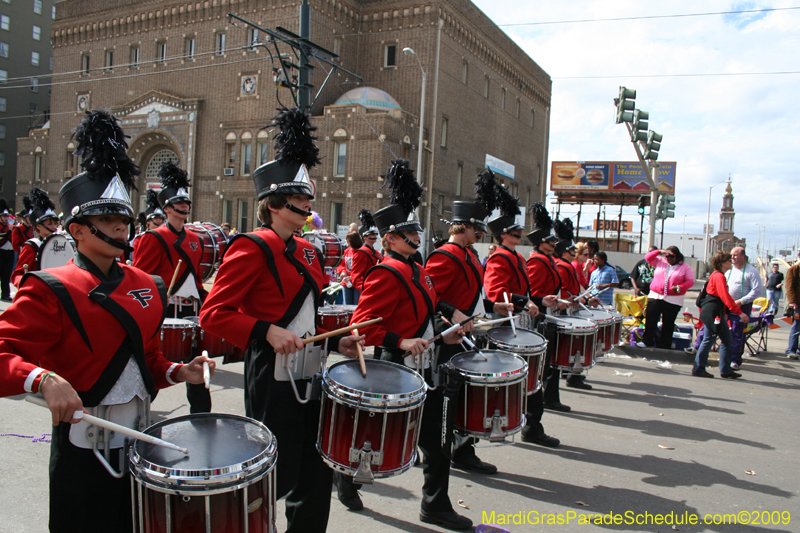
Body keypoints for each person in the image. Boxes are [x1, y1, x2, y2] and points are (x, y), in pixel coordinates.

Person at [0, 109, 214, 533]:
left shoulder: (148, 285)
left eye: (123, 220)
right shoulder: (48, 286)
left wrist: (178, 371)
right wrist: (41, 379)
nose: (119, 229)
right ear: (78, 231)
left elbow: (146, 360)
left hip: (140, 440)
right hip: (84, 448)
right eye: (106, 222)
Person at [199, 106, 362, 533]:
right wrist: (265, 331)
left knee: (316, 466)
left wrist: (334, 341)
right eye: (301, 199)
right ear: (275, 204)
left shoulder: (308, 250)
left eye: (309, 198)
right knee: (273, 474)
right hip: (271, 374)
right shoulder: (250, 247)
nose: (309, 205)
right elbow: (213, 314)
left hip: (311, 369)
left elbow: (307, 315)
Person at [347, 158, 471, 529]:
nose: (416, 238)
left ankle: (434, 504)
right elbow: (359, 328)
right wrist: (401, 340)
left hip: (425, 364)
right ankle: (344, 477)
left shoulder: (417, 269)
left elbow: (429, 310)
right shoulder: (384, 273)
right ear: (389, 239)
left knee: (436, 439)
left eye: (416, 233)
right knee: (377, 437)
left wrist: (446, 326)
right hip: (393, 366)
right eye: (407, 235)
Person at [426, 169, 514, 476]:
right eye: (476, 227)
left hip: (468, 333)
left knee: (465, 396)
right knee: (447, 400)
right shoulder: (444, 256)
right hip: (447, 337)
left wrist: (492, 305)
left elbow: (472, 294)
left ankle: (463, 448)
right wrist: (453, 312)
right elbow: (428, 297)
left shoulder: (469, 255)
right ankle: (442, 449)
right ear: (461, 226)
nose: (480, 232)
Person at [132, 161, 210, 413]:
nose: (185, 207)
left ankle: (201, 416)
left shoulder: (196, 239)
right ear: (167, 208)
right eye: (179, 203)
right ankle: (138, 412)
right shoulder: (152, 238)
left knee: (197, 367)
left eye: (187, 203)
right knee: (154, 364)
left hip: (191, 309)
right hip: (165, 309)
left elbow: (197, 278)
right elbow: (141, 277)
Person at [484, 198, 558, 447]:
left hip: (520, 321)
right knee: (513, 379)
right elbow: (496, 292)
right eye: (514, 231)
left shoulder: (514, 256)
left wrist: (538, 299)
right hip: (507, 325)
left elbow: (521, 291)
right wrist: (525, 301)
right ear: (503, 235)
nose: (520, 234)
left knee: (530, 377)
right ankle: (511, 423)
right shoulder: (499, 258)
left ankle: (531, 425)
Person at [693, 251, 749, 378]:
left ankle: (725, 369)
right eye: (729, 260)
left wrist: (725, 313)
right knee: (709, 339)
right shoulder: (719, 277)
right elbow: (725, 297)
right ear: (723, 263)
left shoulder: (717, 275)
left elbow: (722, 298)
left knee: (726, 340)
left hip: (716, 311)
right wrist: (739, 313)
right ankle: (699, 368)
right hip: (714, 312)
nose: (731, 262)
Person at [638, 246, 695, 349]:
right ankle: (647, 341)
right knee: (651, 319)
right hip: (656, 296)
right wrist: (659, 251)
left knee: (668, 323)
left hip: (673, 299)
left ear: (677, 256)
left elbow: (690, 281)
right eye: (667, 256)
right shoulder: (660, 261)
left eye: (672, 256)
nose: (669, 259)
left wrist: (680, 287)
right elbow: (648, 258)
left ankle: (664, 345)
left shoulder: (685, 267)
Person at [11, 188, 60, 287]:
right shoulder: (32, 246)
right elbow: (17, 275)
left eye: (55, 223)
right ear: (39, 226)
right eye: (49, 224)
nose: (54, 227)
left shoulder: (62, 243)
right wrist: (30, 285)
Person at [725, 247, 763, 369]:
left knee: (737, 332)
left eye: (735, 255)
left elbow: (757, 290)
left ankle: (735, 359)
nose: (733, 257)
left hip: (741, 307)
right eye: (732, 255)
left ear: (743, 256)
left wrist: (742, 301)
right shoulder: (729, 271)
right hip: (727, 305)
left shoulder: (751, 271)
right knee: (720, 329)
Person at [350, 209, 382, 300]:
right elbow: (355, 276)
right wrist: (366, 289)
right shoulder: (361, 253)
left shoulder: (377, 253)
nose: (374, 236)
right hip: (367, 290)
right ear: (365, 237)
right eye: (371, 234)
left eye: (375, 234)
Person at [336, 230, 362, 305]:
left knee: (356, 306)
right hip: (346, 283)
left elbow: (361, 269)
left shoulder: (361, 252)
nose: (345, 241)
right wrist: (343, 271)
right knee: (347, 306)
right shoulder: (346, 251)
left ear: (351, 241)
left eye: (347, 239)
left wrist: (351, 277)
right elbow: (340, 264)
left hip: (357, 283)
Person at [783, 254, 800, 359]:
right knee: (797, 327)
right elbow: (789, 287)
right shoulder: (794, 269)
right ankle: (791, 350)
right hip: (797, 304)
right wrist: (792, 302)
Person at [11, 198, 35, 264]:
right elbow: (15, 246)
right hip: (21, 253)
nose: (30, 219)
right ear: (24, 218)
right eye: (28, 217)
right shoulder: (18, 228)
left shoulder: (33, 228)